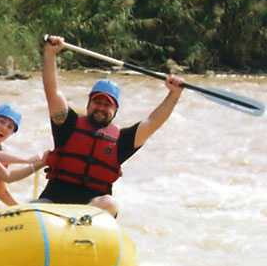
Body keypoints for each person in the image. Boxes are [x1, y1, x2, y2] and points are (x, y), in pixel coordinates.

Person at [38, 34, 184, 216]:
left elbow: (153, 122)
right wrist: (50, 54)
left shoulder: (122, 141)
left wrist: (174, 94)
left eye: (107, 105)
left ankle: (76, 226)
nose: (101, 108)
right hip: (53, 200)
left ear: (115, 111)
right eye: (97, 102)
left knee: (111, 204)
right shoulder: (68, 124)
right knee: (30, 209)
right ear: (88, 104)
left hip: (92, 208)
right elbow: (53, 92)